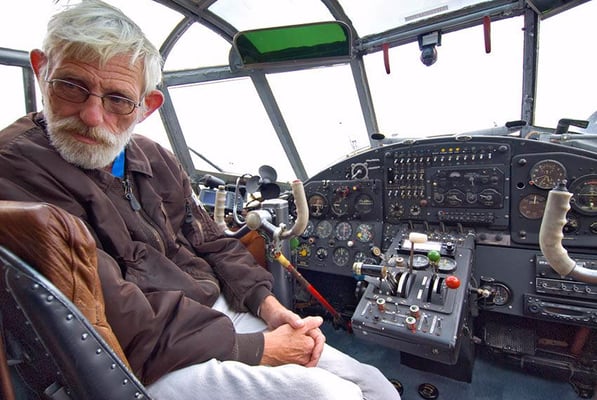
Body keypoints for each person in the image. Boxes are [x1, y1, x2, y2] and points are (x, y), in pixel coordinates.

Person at [0, 1, 400, 399]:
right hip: (147, 356)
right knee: (330, 395)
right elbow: (114, 316)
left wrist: (267, 305)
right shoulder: (15, 168)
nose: (92, 115)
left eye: (118, 99)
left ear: (146, 107)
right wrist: (260, 349)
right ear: (41, 70)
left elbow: (213, 242)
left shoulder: (153, 157)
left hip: (211, 315)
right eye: (71, 86)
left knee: (374, 384)